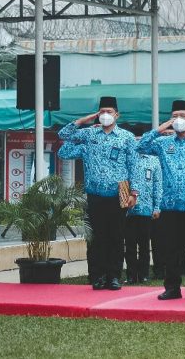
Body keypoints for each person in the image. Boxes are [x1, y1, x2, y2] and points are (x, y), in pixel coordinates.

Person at [137, 100, 185, 301]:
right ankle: (172, 288)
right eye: (174, 116)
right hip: (169, 205)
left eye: (182, 116)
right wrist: (160, 129)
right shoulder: (163, 143)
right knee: (170, 249)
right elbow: (140, 146)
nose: (178, 120)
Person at [58, 96, 138, 291]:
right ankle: (97, 276)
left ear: (117, 115)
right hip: (94, 192)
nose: (105, 115)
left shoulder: (126, 137)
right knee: (96, 237)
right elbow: (63, 137)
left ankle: (114, 277)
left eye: (109, 112)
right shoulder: (89, 135)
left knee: (116, 237)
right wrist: (84, 121)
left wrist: (134, 192)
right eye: (101, 112)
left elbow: (133, 165)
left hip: (120, 190)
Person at [124, 153, 162, 284]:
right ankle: (131, 275)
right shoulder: (127, 158)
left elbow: (157, 185)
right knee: (130, 244)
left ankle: (144, 274)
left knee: (144, 244)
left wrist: (157, 207)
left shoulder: (154, 161)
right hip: (128, 210)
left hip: (146, 209)